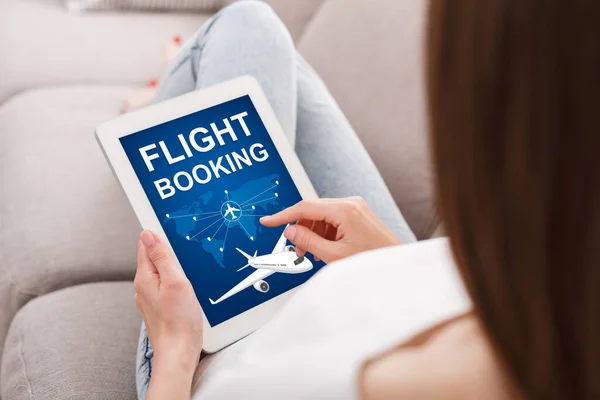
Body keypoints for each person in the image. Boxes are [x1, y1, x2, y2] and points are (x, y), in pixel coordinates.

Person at [133, 0, 600, 399]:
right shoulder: (556, 308)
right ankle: (170, 97)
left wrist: (175, 351)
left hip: (229, 338)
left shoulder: (281, 384)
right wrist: (397, 261)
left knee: (243, 26)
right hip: (419, 283)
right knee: (255, 30)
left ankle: (164, 99)